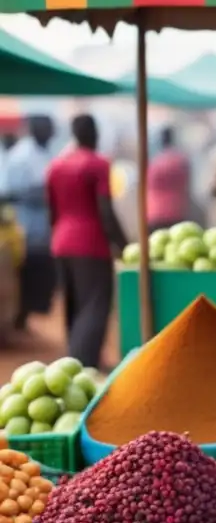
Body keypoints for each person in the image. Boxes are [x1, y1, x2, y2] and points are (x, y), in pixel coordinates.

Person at [46, 114, 127, 368]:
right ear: (94, 134)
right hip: (90, 244)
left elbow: (52, 211)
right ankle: (84, 363)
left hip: (61, 241)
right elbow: (105, 211)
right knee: (94, 305)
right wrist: (123, 244)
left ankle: (72, 361)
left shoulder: (56, 166)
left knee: (73, 305)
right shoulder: (99, 164)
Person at [3, 116, 56, 329]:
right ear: (34, 129)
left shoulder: (46, 152)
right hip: (25, 224)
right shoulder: (21, 156)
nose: (50, 132)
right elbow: (7, 191)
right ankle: (18, 319)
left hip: (42, 226)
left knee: (38, 273)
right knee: (25, 273)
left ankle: (24, 317)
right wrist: (38, 194)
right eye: (46, 127)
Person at [146, 125, 191, 230]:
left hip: (155, 212)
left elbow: (148, 183)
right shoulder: (181, 161)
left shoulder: (155, 161)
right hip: (176, 210)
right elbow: (185, 184)